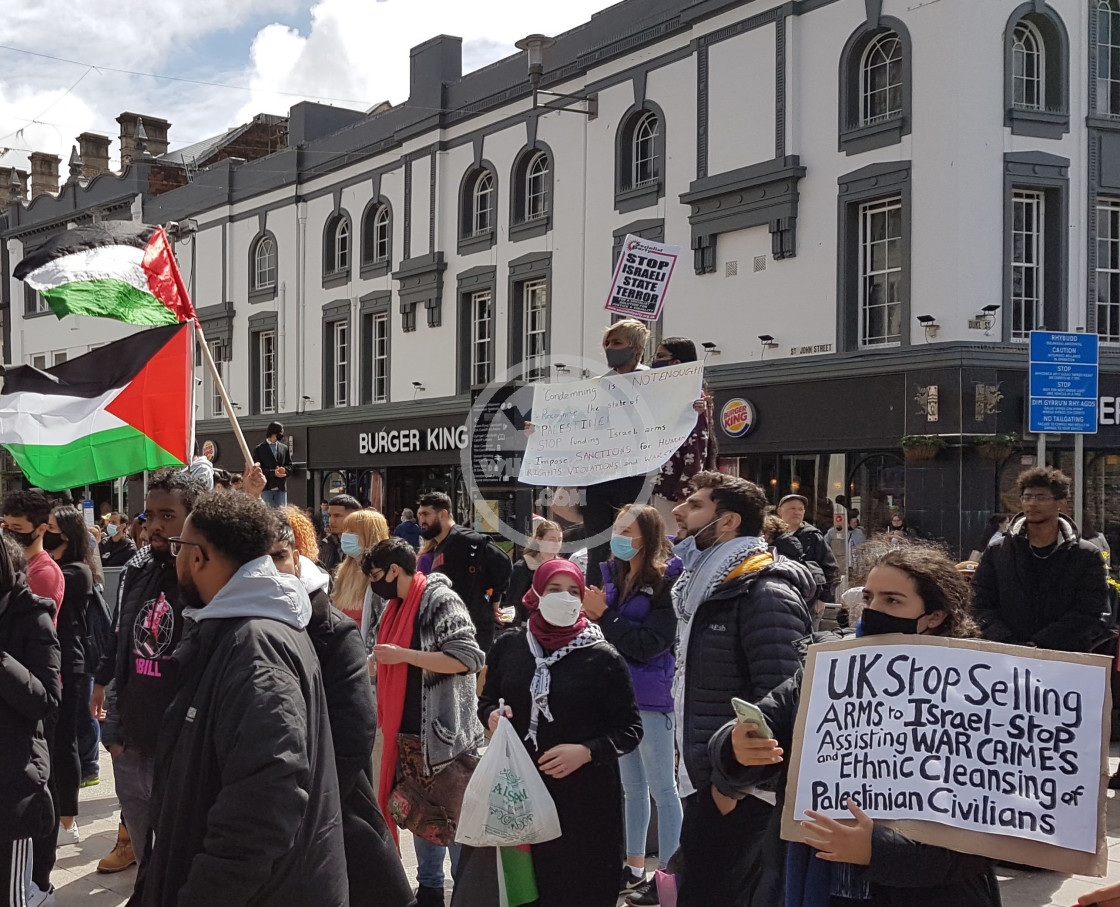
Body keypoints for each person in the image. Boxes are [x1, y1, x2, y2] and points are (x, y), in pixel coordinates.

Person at [710, 545, 1001, 907]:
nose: (874, 609)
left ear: (934, 615)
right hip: (809, 880)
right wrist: (737, 745)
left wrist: (877, 850)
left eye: (892, 600)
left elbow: (980, 828)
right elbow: (768, 716)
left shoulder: (973, 690)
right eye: (869, 597)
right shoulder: (829, 668)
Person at [131, 491, 345, 906]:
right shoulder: (237, 632)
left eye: (180, 548)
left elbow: (265, 805)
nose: (174, 559)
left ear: (199, 557)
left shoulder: (255, 647)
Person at [460, 558, 642, 907]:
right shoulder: (511, 646)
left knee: (579, 889)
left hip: (585, 802)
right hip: (520, 794)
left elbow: (630, 729)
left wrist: (587, 750)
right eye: (554, 590)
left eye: (573, 591)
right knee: (526, 891)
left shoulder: (602, 656)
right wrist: (492, 717)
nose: (565, 598)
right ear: (536, 593)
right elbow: (485, 700)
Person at [670, 471, 814, 907]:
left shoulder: (764, 591)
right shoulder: (705, 586)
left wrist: (732, 788)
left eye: (694, 506)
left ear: (728, 522)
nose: (678, 513)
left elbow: (783, 700)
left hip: (740, 791)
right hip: (706, 780)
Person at [268, 516, 414, 907]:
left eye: (279, 556)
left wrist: (310, 800)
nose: (341, 532)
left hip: (329, 804)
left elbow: (352, 735)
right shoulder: (342, 572)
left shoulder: (345, 612)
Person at [90, 468, 207, 873]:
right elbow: (123, 644)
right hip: (132, 750)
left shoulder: (206, 578)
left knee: (182, 869)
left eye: (167, 516)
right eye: (150, 515)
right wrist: (114, 737)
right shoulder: (137, 570)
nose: (154, 526)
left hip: (181, 756)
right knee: (150, 869)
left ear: (193, 518)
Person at [364, 537, 486, 907]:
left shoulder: (439, 600)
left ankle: (469, 895)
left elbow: (468, 658)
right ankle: (430, 893)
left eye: (376, 575)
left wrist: (404, 655)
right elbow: (383, 660)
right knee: (421, 819)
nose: (375, 583)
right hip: (407, 736)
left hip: (446, 740)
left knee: (457, 826)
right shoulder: (395, 607)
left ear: (395, 570)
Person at [581, 505, 682, 905]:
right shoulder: (613, 578)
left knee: (663, 789)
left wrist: (604, 616)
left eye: (627, 529)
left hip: (653, 700)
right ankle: (635, 867)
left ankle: (670, 874)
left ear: (648, 536)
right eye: (616, 527)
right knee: (632, 790)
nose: (618, 536)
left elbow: (648, 644)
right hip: (618, 698)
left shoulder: (665, 583)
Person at [2, 490, 64, 905]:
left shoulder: (34, 609)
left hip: (12, 782)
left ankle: (37, 889)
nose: (8, 533)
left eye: (16, 529)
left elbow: (45, 697)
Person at [973, 466, 1110, 652]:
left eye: (1041, 497)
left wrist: (1042, 643)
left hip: (1064, 658)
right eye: (1027, 497)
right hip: (1005, 657)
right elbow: (979, 602)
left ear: (1061, 503)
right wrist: (1006, 640)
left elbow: (1091, 610)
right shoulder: (998, 551)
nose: (1032, 504)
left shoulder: (1086, 554)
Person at [43, 506, 93, 849]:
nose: (46, 532)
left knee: (64, 742)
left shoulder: (75, 572)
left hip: (69, 665)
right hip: (49, 662)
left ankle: (67, 821)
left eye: (52, 528)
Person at [416, 491, 511, 653]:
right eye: (419, 515)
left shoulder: (466, 539)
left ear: (444, 514)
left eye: (426, 514)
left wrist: (494, 600)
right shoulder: (440, 545)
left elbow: (503, 562)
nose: (422, 520)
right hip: (450, 629)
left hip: (474, 631)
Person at [649, 337, 718, 519]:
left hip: (672, 490)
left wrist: (685, 492)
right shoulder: (660, 398)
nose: (654, 361)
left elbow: (697, 448)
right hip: (657, 484)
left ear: (676, 362)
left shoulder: (694, 401)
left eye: (661, 356)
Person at [333, 509, 390, 643]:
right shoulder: (342, 572)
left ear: (370, 535)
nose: (345, 536)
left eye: (352, 531)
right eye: (345, 530)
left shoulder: (383, 579)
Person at [776, 494, 838, 601]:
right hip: (776, 594)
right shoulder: (771, 536)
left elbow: (831, 568)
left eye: (800, 509)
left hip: (807, 599)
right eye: (792, 508)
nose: (797, 512)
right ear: (780, 511)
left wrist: (821, 599)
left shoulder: (813, 536)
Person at [506, 519, 564, 625]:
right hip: (528, 627)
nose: (557, 544)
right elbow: (512, 604)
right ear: (539, 540)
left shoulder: (565, 567)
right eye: (552, 540)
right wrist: (513, 632)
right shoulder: (522, 567)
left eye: (559, 540)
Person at [252, 421, 294, 508]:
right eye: (281, 432)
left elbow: (290, 466)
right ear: (274, 432)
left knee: (282, 515)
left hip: (281, 488)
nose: (282, 434)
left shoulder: (284, 448)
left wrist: (284, 470)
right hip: (266, 488)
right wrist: (273, 473)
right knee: (268, 515)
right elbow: (257, 469)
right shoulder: (259, 449)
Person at [320, 494, 362, 576]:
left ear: (353, 517)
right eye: (329, 515)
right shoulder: (324, 544)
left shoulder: (363, 544)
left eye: (337, 516)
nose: (331, 521)